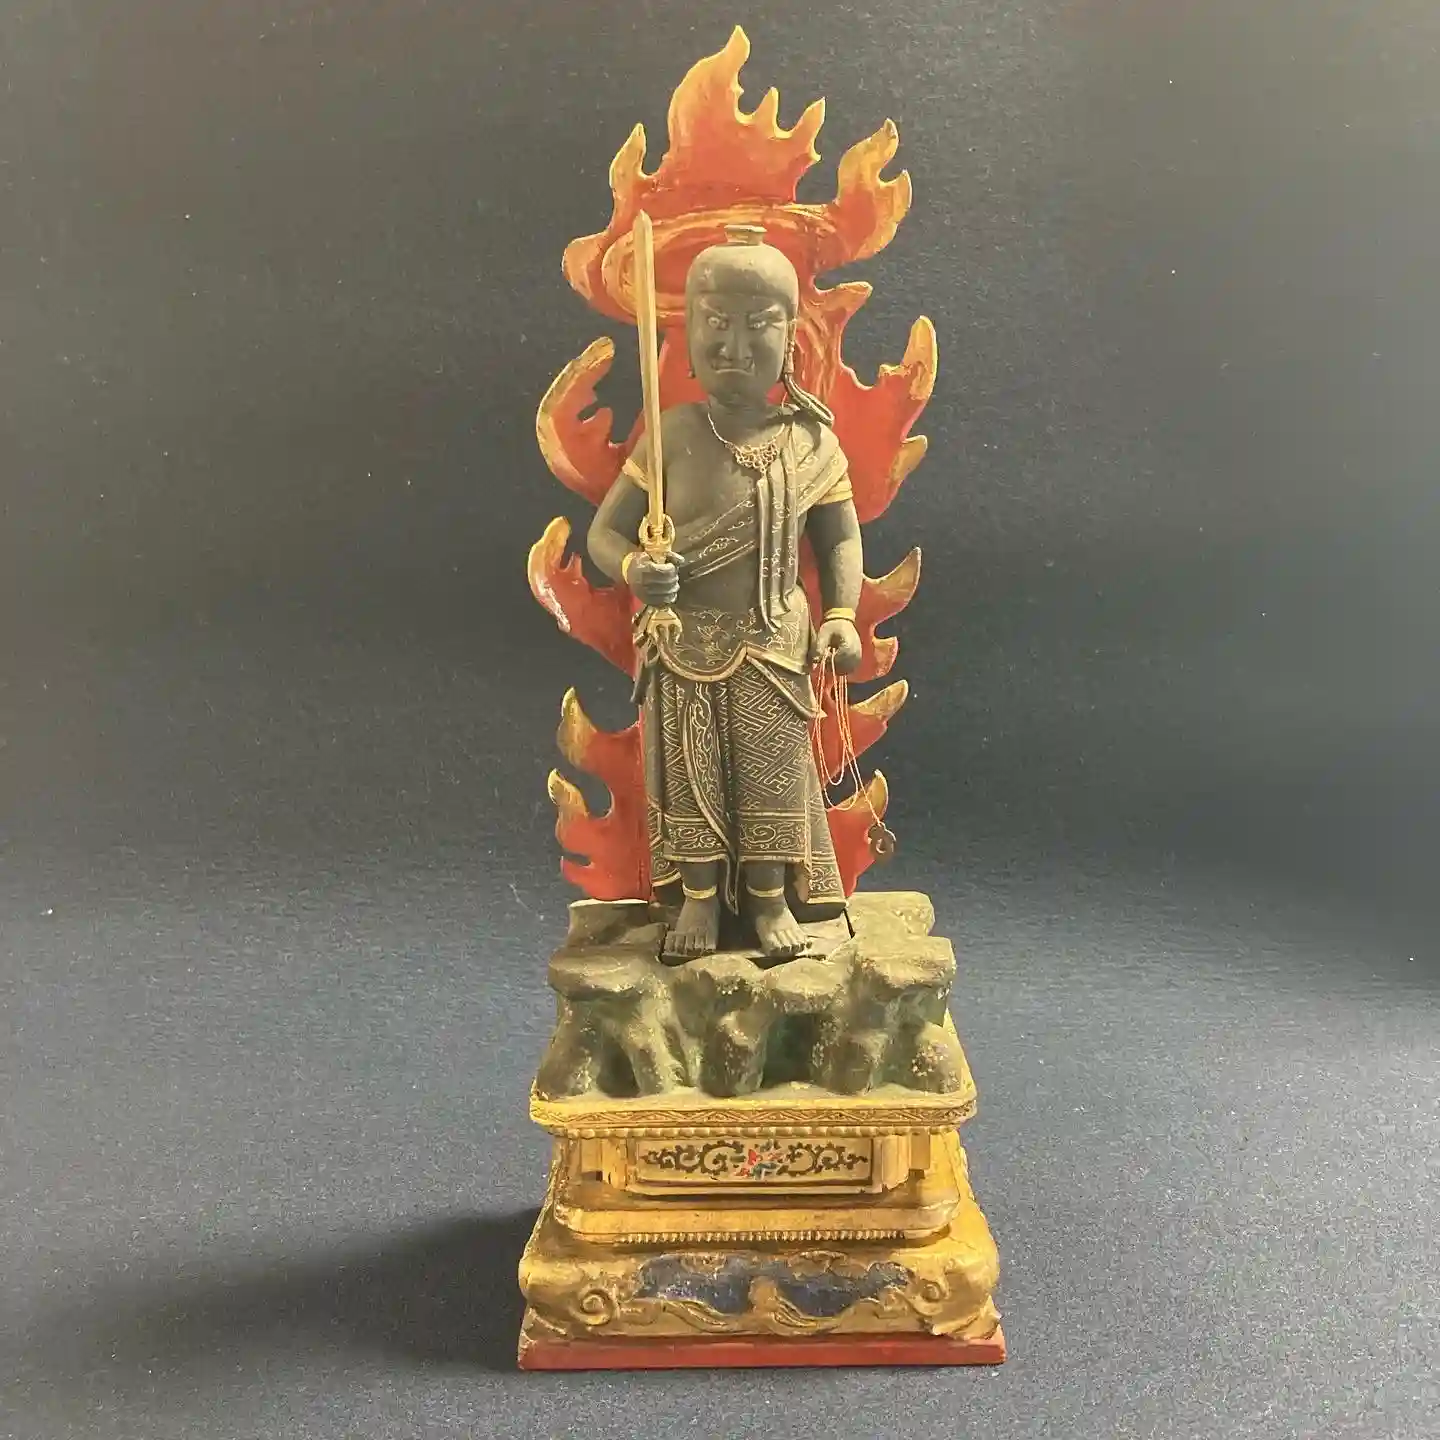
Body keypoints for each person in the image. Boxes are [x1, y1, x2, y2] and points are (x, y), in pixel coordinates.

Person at [587, 225, 864, 960]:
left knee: (771, 772)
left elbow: (839, 538)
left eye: (758, 325)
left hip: (773, 639)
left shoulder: (811, 443)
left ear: (790, 339)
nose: (734, 346)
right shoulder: (672, 432)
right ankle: (700, 900)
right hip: (685, 643)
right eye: (715, 324)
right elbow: (604, 534)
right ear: (688, 335)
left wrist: (841, 615)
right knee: (693, 773)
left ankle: (770, 899)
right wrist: (633, 569)